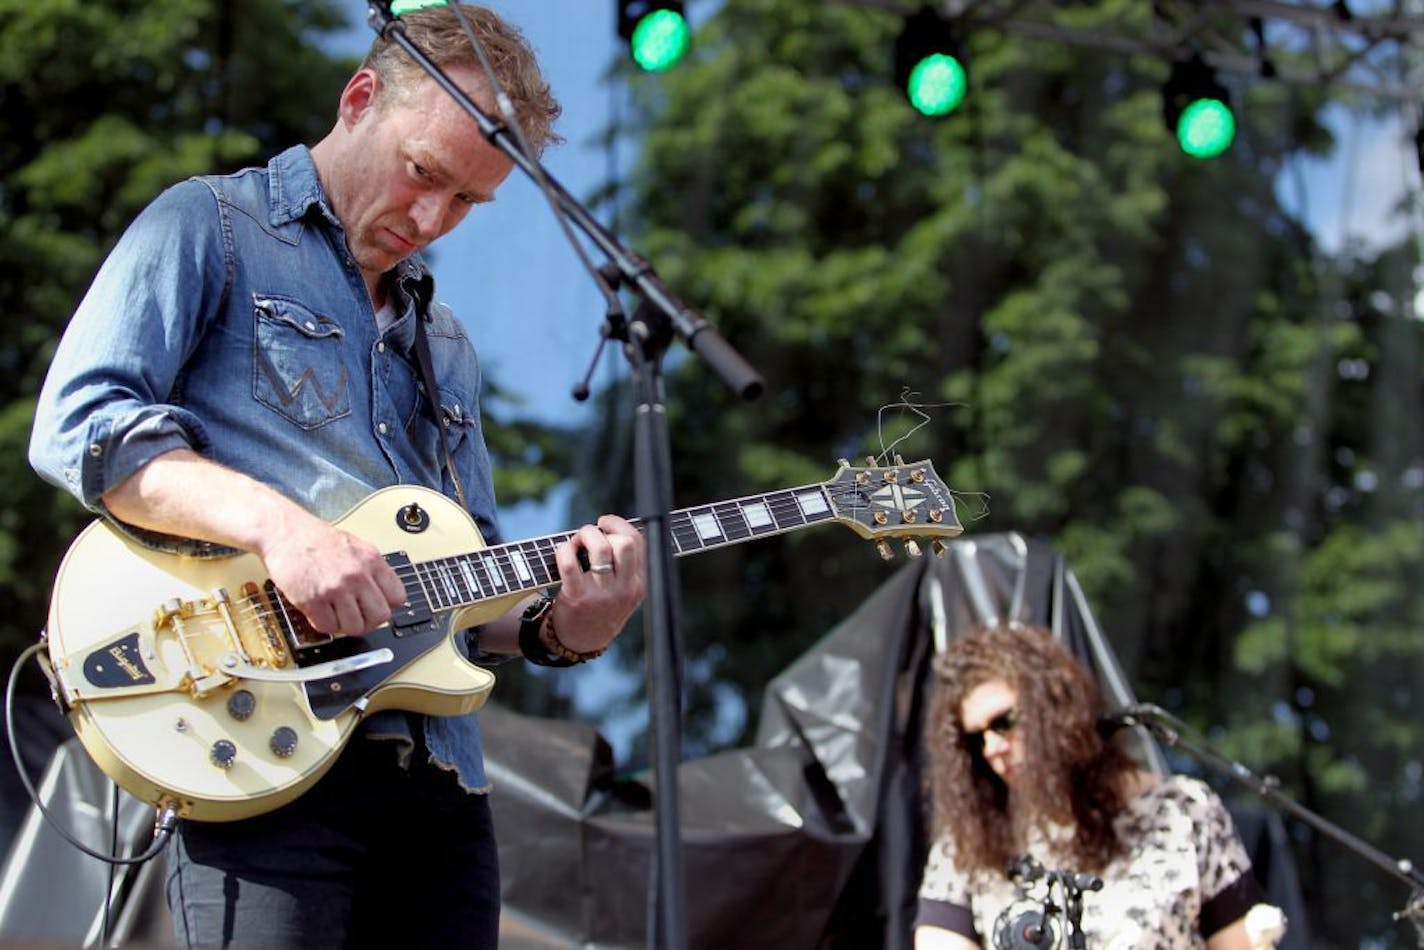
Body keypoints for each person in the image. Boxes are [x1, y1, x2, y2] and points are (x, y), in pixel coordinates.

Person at [28, 6, 645, 947]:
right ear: (359, 99)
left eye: (468, 204)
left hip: (440, 785)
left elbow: (474, 586)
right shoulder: (213, 227)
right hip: (251, 741)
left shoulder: (447, 346)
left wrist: (569, 625)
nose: (433, 220)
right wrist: (285, 531)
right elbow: (83, 423)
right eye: (424, 174)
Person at [914, 624, 1285, 949]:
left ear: (1055, 707)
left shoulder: (1183, 811)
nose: (993, 748)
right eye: (975, 739)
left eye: (1005, 722)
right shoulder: (964, 850)